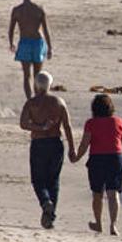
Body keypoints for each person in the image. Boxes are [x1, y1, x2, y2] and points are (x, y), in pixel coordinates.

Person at [19, 72, 76, 229]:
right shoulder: (59, 102)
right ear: (50, 85)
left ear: (36, 85)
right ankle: (50, 216)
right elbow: (67, 127)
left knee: (38, 179)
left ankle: (45, 202)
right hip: (55, 143)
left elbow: (23, 123)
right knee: (53, 180)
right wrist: (72, 148)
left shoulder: (31, 103)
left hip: (39, 143)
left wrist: (38, 127)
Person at [71, 94, 122, 236]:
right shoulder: (118, 121)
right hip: (115, 158)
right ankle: (113, 225)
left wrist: (76, 157)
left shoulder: (91, 123)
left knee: (97, 193)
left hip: (97, 159)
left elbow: (84, 144)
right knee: (113, 193)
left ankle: (98, 223)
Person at [9, 0, 53, 99]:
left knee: (26, 75)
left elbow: (11, 29)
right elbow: (46, 30)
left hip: (24, 42)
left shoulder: (17, 10)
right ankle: (38, 98)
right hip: (37, 42)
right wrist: (50, 47)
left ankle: (29, 100)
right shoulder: (39, 9)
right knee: (37, 75)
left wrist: (11, 42)